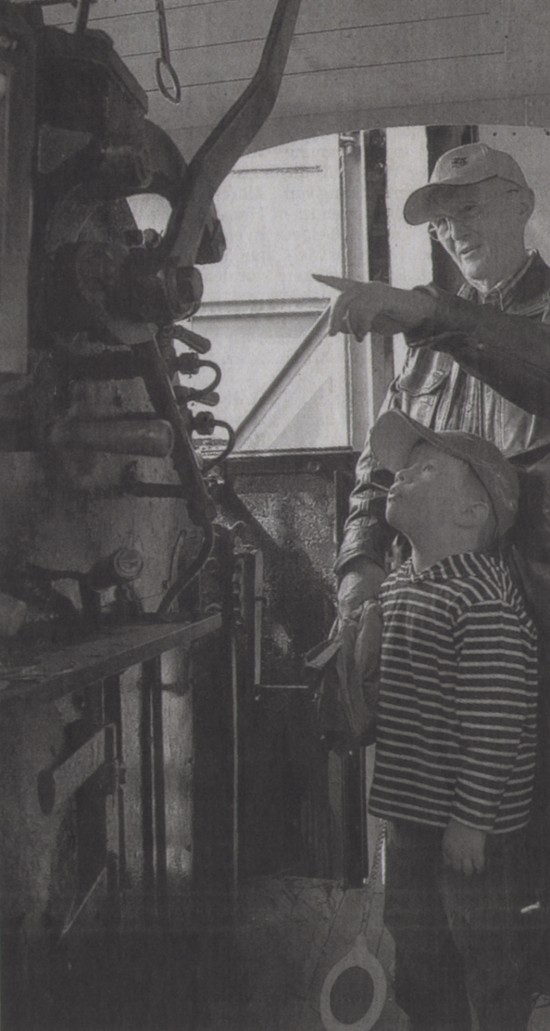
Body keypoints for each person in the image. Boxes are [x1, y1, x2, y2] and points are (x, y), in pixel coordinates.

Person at [367, 409, 538, 1031]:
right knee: (416, 942)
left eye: (425, 470)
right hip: (414, 817)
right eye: (404, 469)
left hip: (473, 831)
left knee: (486, 952)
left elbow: (495, 725)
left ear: (470, 513)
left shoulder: (481, 601)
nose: (401, 476)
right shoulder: (399, 588)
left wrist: (471, 821)